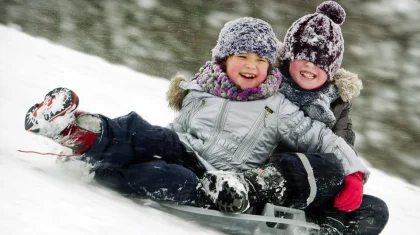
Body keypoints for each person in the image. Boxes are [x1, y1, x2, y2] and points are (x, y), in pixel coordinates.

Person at [25, 16, 367, 226]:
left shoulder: (278, 106)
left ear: (271, 66)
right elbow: (173, 132)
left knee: (169, 178)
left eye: (260, 59)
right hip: (182, 146)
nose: (251, 65)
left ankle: (105, 170)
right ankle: (74, 130)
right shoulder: (203, 88)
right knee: (142, 132)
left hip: (218, 177)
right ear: (223, 58)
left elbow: (327, 141)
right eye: (241, 56)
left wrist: (354, 174)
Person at [268, 1, 389, 234]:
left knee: (375, 209)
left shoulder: (336, 103)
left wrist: (354, 179)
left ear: (332, 69)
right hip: (272, 171)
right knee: (327, 167)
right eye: (304, 55)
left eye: (321, 61)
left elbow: (344, 144)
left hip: (319, 181)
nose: (311, 65)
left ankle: (326, 227)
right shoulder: (270, 85)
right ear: (289, 56)